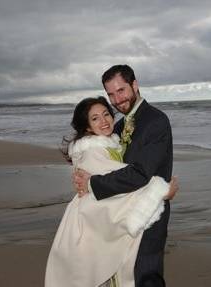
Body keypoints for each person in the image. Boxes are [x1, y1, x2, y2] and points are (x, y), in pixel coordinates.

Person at [45, 97, 178, 287]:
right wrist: (161, 191)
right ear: (88, 126)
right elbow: (118, 189)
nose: (104, 121)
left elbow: (117, 182)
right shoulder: (93, 151)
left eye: (106, 114)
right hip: (92, 221)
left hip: (96, 219)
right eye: (95, 118)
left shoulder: (109, 143)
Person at [74, 65, 175, 287]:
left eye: (121, 90)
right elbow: (102, 156)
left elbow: (141, 173)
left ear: (135, 85)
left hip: (149, 212)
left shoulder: (156, 121)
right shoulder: (118, 126)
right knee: (125, 274)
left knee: (146, 274)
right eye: (111, 94)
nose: (117, 99)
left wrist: (92, 183)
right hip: (121, 211)